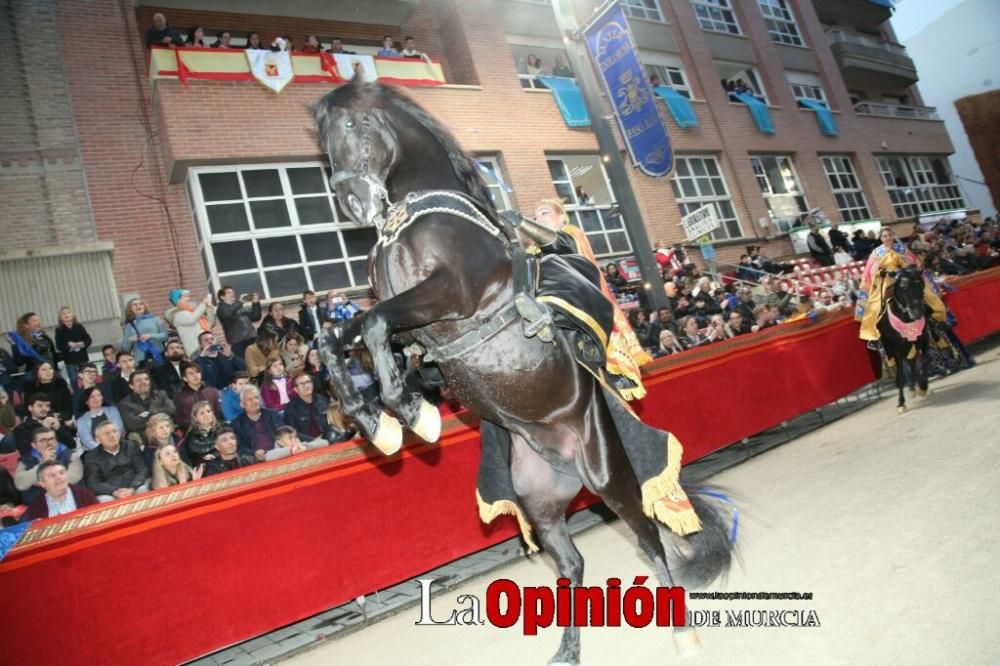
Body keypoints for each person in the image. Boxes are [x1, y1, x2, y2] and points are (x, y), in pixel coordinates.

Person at [523, 198, 653, 400]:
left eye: (545, 212)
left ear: (562, 218)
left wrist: (522, 223)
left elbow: (558, 245)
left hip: (578, 300)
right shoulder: (533, 252)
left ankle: (548, 314)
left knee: (550, 262)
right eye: (535, 216)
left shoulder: (571, 235)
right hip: (544, 303)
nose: (538, 218)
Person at [857, 227, 948, 350]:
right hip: (887, 280)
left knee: (928, 294)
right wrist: (884, 272)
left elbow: (914, 263)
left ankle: (938, 320)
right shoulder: (876, 253)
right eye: (884, 236)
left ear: (893, 236)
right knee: (875, 304)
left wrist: (906, 270)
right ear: (881, 238)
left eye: (889, 235)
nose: (887, 238)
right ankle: (874, 337)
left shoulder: (902, 249)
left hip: (906, 277)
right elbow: (870, 271)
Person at [13, 428, 84, 506]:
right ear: (34, 445)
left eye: (51, 439)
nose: (48, 443)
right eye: (43, 440)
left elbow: (75, 477)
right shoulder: (26, 460)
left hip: (69, 499)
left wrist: (41, 482)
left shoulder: (69, 455)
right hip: (38, 504)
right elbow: (19, 484)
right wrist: (43, 463)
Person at [84, 420, 150, 502]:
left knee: (143, 489)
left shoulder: (131, 446)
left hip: (134, 486)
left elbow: (142, 469)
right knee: (105, 500)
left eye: (114, 431)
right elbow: (93, 482)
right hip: (111, 493)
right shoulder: (92, 457)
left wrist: (133, 488)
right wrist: (114, 491)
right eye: (107, 433)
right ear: (98, 439)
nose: (112, 435)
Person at [22, 460, 99, 521]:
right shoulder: (37, 506)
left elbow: (98, 517)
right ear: (42, 483)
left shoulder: (84, 495)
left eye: (61, 473)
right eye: (52, 475)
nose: (59, 477)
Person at [283, 374, 344, 445]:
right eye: (302, 384)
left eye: (308, 382)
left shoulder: (324, 401)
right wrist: (313, 440)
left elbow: (334, 422)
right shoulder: (291, 407)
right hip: (306, 444)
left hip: (328, 439)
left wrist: (324, 437)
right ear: (296, 389)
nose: (306, 386)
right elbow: (292, 431)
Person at [118, 369, 176, 442]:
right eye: (138, 380)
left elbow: (172, 410)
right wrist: (159, 415)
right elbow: (132, 424)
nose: (143, 382)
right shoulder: (125, 403)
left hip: (166, 433)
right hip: (144, 438)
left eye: (146, 379)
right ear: (131, 386)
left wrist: (150, 413)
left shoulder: (161, 394)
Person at [232, 386, 283, 462]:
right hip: (255, 460)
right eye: (250, 399)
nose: (255, 401)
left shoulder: (272, 415)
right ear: (242, 404)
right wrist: (254, 454)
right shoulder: (237, 423)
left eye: (256, 398)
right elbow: (240, 447)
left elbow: (285, 433)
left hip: (279, 453)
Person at [165, 289, 216, 358]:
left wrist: (210, 310)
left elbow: (210, 324)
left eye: (188, 296)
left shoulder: (194, 312)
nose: (189, 298)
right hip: (196, 350)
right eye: (185, 296)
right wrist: (203, 304)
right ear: (177, 300)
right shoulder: (178, 315)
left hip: (207, 346)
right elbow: (191, 320)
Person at [216, 286, 262, 360]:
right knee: (244, 365)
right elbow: (226, 314)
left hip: (251, 338)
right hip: (238, 343)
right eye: (229, 293)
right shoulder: (221, 308)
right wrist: (240, 302)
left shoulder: (238, 307)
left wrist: (255, 304)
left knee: (257, 361)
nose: (232, 294)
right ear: (222, 297)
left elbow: (256, 317)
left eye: (233, 293)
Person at [121, 297, 169, 366]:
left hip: (159, 356)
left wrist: (150, 336)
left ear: (144, 306)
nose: (138, 306)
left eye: (141, 304)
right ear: (130, 309)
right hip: (141, 360)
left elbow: (165, 336)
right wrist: (130, 339)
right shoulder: (129, 325)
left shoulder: (155, 319)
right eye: (135, 305)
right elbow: (125, 349)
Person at [174, 362, 221, 431]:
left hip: (214, 428)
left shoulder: (212, 392)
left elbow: (218, 413)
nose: (195, 375)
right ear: (185, 378)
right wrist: (198, 425)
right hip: (194, 432)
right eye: (191, 373)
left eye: (197, 372)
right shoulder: (181, 397)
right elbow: (180, 420)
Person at [8, 312, 58, 377]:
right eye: (34, 321)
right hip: (34, 375)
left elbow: (54, 355)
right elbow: (19, 362)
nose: (38, 323)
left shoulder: (44, 336)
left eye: (38, 320)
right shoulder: (22, 341)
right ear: (26, 325)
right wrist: (13, 344)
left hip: (51, 373)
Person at [76, 387, 125, 452]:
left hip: (117, 445)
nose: (96, 399)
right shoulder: (81, 421)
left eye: (99, 395)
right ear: (86, 401)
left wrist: (112, 445)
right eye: (92, 397)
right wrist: (103, 450)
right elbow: (87, 441)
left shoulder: (113, 410)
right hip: (96, 452)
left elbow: (119, 429)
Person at [54, 306, 92, 389]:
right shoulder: (59, 330)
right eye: (63, 314)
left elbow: (88, 340)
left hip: (82, 357)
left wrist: (81, 343)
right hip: (70, 359)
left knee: (87, 377)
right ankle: (77, 396)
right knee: (74, 379)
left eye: (68, 312)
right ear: (60, 318)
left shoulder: (79, 326)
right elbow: (59, 346)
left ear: (73, 315)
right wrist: (68, 344)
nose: (66, 315)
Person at [178, 400, 219, 468]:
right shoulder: (191, 434)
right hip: (202, 467)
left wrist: (216, 454)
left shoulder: (222, 427)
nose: (206, 414)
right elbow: (197, 449)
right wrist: (219, 445)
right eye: (202, 413)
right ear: (195, 418)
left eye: (208, 411)